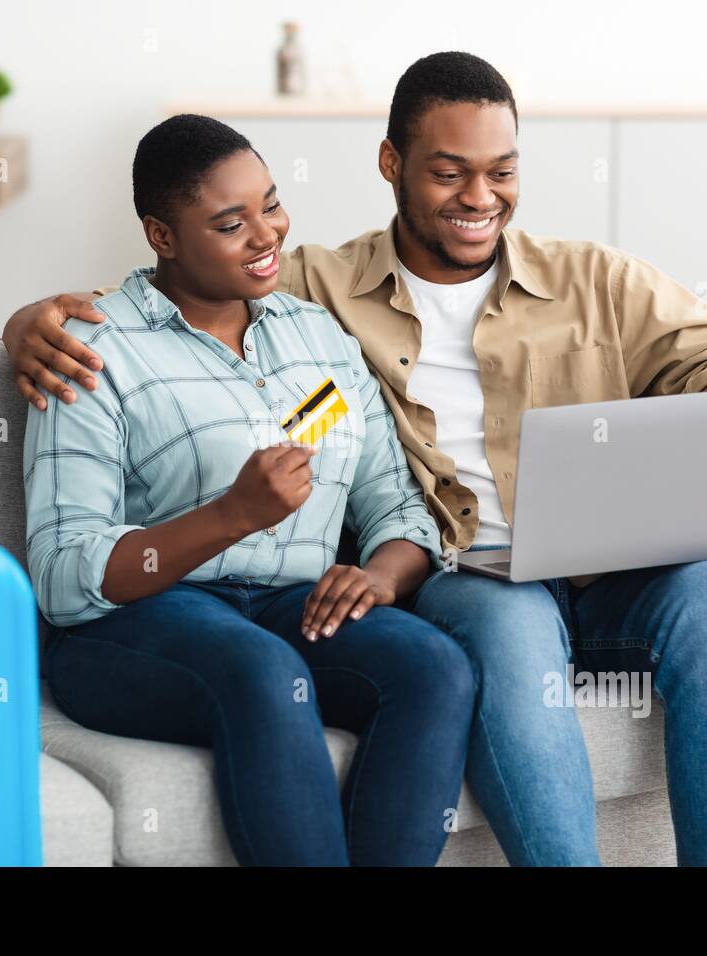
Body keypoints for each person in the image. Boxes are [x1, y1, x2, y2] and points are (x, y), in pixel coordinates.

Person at [11, 54, 707, 866]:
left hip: (615, 573)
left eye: (500, 172)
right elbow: (166, 303)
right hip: (480, 577)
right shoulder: (321, 290)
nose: (479, 199)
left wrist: (681, 444)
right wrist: (26, 325)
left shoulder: (584, 281)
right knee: (488, 635)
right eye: (451, 173)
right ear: (392, 166)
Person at [24, 113, 476, 867]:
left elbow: (396, 506)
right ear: (161, 236)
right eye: (231, 222)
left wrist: (378, 575)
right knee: (263, 672)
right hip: (135, 626)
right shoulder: (91, 352)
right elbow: (64, 578)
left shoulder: (318, 339)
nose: (267, 234)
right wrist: (231, 517)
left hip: (289, 608)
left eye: (270, 204)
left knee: (434, 666)